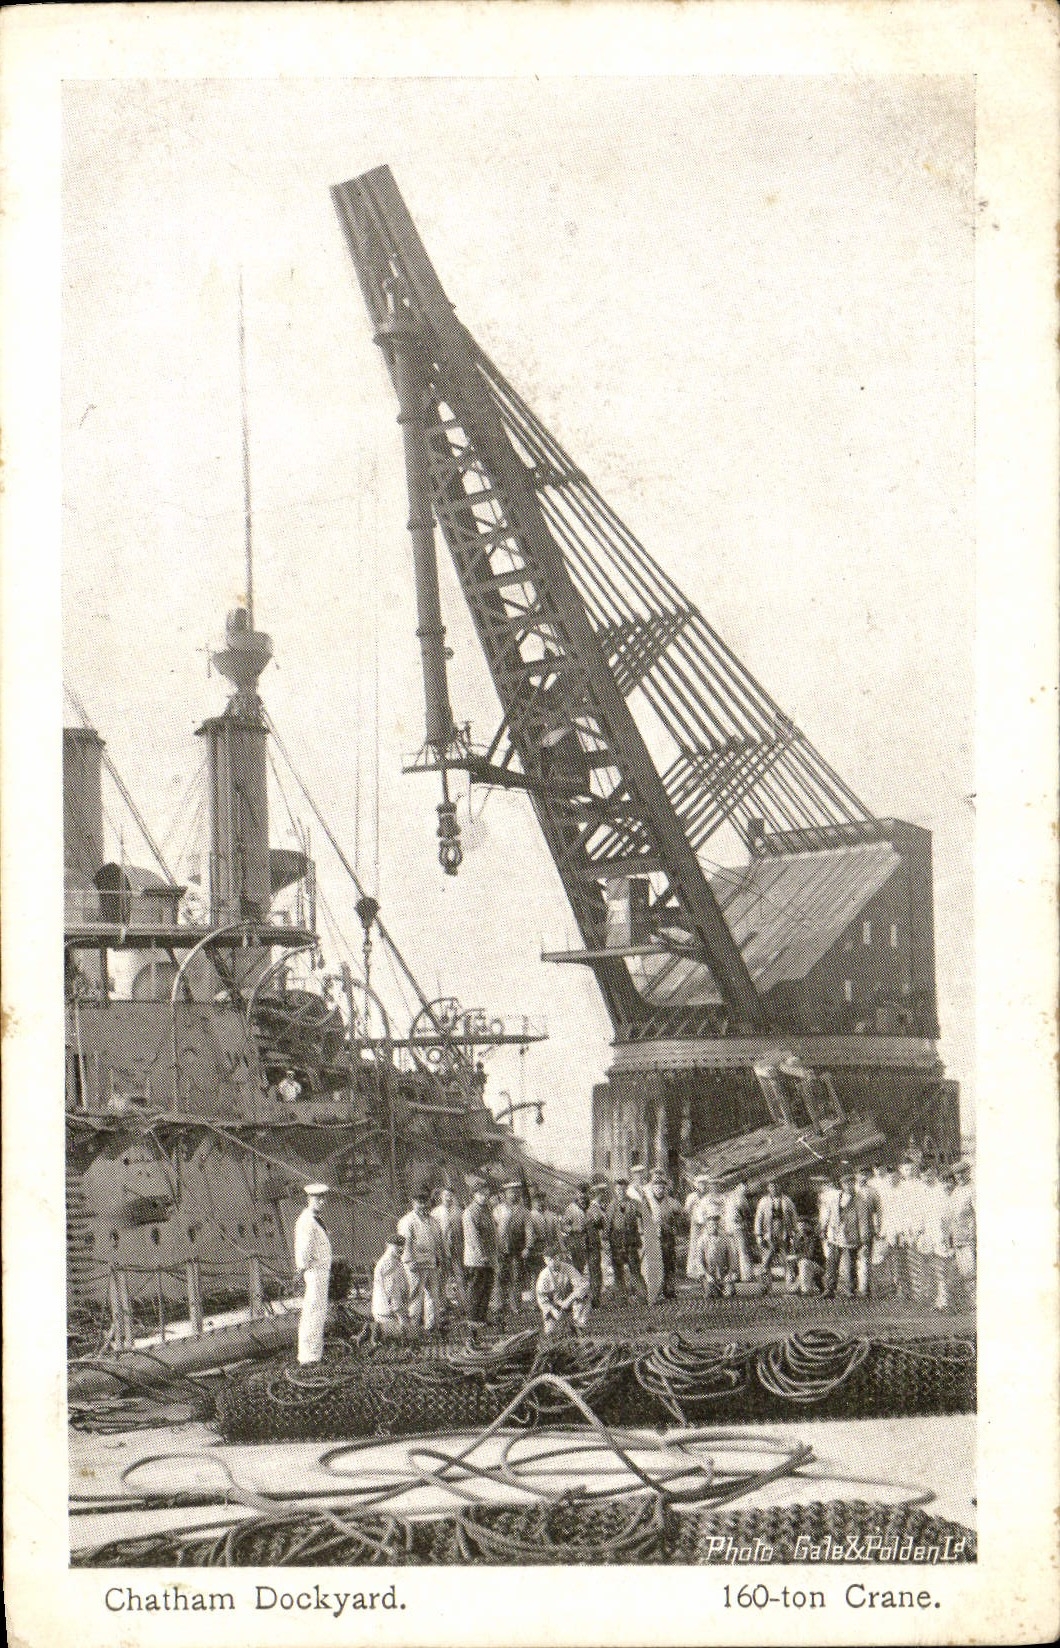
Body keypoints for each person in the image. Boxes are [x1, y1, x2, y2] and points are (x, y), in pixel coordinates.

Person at [397, 1181, 445, 1332]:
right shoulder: (407, 1221)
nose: (423, 1205)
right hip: (415, 1265)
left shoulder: (432, 1221)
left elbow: (437, 1240)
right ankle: (413, 1329)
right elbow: (405, 1243)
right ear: (413, 1203)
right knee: (415, 1297)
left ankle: (431, 1327)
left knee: (433, 1296)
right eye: (420, 1202)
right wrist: (409, 1261)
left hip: (431, 1263)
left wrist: (438, 1257)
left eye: (425, 1202)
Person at [293, 1182, 332, 1364]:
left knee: (318, 1312)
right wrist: (302, 1270)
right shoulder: (307, 1221)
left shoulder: (316, 1219)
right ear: (309, 1199)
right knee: (313, 1313)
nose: (322, 1202)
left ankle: (314, 1353)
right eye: (318, 1198)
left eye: (323, 1198)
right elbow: (304, 1250)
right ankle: (309, 1357)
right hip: (315, 1271)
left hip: (320, 1271)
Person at [822, 1166, 871, 1297]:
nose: (849, 1186)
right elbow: (827, 1214)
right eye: (846, 1183)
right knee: (832, 1263)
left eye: (851, 1183)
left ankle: (850, 1289)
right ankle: (829, 1289)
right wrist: (824, 1228)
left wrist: (864, 1240)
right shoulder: (835, 1198)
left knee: (850, 1264)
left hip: (851, 1236)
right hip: (835, 1234)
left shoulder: (860, 1201)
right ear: (842, 1185)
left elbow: (863, 1222)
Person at [641, 1169, 682, 1301]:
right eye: (656, 1187)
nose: (659, 1190)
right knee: (655, 1265)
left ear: (665, 1188)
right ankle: (655, 1291)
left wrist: (673, 1225)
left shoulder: (671, 1202)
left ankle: (669, 1289)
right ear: (652, 1188)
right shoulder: (647, 1202)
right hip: (653, 1237)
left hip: (667, 1237)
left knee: (669, 1263)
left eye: (662, 1187)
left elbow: (680, 1214)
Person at [462, 1177, 497, 1325]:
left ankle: (481, 1316)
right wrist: (482, 1255)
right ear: (474, 1195)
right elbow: (472, 1237)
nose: (484, 1197)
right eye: (480, 1194)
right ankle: (472, 1317)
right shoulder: (470, 1212)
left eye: (485, 1194)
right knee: (476, 1287)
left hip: (488, 1256)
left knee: (487, 1287)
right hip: (477, 1259)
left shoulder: (486, 1210)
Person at [495, 1180, 532, 1319]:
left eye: (516, 1191)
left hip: (517, 1250)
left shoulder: (524, 1211)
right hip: (501, 1249)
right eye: (510, 1192)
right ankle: (498, 1305)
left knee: (516, 1277)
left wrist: (528, 1247)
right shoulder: (498, 1209)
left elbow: (529, 1231)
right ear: (505, 1194)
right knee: (499, 1277)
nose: (513, 1194)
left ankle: (515, 1305)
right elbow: (493, 1230)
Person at [535, 1245, 591, 1336]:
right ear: (545, 1261)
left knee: (585, 1296)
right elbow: (542, 1299)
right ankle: (562, 1327)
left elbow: (583, 1286)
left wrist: (568, 1300)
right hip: (554, 1306)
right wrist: (553, 1310)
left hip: (569, 1302)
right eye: (549, 1260)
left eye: (555, 1258)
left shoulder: (568, 1268)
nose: (552, 1262)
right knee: (550, 1333)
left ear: (559, 1257)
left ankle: (579, 1325)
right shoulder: (543, 1276)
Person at [753, 1180, 799, 1286]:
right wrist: (759, 1235)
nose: (774, 1188)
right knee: (766, 1260)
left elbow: (794, 1217)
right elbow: (758, 1218)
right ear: (768, 1188)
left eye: (777, 1186)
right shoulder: (763, 1201)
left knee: (786, 1259)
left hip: (784, 1234)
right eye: (772, 1186)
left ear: (780, 1187)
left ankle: (790, 1284)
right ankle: (765, 1285)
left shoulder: (787, 1200)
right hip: (768, 1234)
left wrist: (794, 1233)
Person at [370, 1231, 413, 1340]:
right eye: (397, 1246)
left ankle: (375, 1333)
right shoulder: (389, 1263)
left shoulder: (395, 1261)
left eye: (402, 1247)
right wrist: (401, 1318)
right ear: (388, 1246)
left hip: (390, 1313)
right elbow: (393, 1293)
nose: (401, 1249)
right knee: (410, 1338)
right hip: (388, 1315)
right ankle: (374, 1332)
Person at [605, 1177, 643, 1300]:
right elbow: (607, 1225)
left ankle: (641, 1295)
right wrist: (606, 1242)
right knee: (618, 1270)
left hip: (631, 1240)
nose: (620, 1191)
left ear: (626, 1189)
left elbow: (644, 1216)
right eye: (618, 1189)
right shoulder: (611, 1205)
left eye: (623, 1189)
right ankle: (621, 1296)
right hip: (616, 1241)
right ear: (615, 1190)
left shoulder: (634, 1203)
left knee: (635, 1268)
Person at [431, 1186, 466, 1312]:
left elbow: (464, 1231)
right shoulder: (435, 1213)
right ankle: (442, 1304)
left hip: (457, 1249)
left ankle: (464, 1303)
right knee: (441, 1277)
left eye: (451, 1195)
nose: (448, 1198)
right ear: (441, 1197)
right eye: (446, 1195)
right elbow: (433, 1233)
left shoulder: (459, 1212)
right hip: (441, 1250)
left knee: (460, 1276)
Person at [698, 1208, 738, 1299]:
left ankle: (725, 1286)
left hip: (723, 1273)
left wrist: (730, 1273)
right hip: (708, 1274)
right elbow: (699, 1261)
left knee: (729, 1293)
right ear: (707, 1225)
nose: (713, 1226)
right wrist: (707, 1275)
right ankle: (710, 1288)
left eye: (715, 1224)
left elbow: (731, 1258)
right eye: (711, 1224)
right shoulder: (702, 1240)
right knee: (710, 1295)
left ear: (718, 1224)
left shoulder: (725, 1238)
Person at [724, 1180, 754, 1282]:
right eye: (743, 1186)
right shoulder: (736, 1197)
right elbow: (746, 1212)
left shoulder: (732, 1197)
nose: (745, 1189)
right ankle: (740, 1274)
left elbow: (746, 1213)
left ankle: (742, 1275)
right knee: (738, 1251)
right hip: (733, 1227)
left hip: (735, 1227)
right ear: (738, 1186)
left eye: (745, 1187)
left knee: (739, 1251)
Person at [584, 1184, 608, 1306]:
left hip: (599, 1243)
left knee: (598, 1270)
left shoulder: (600, 1207)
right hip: (594, 1243)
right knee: (595, 1271)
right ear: (598, 1194)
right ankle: (594, 1298)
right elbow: (599, 1224)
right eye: (602, 1193)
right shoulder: (593, 1209)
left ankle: (596, 1296)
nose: (604, 1195)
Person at [684, 1173, 711, 1279]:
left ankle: (706, 1269)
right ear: (696, 1185)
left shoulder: (708, 1196)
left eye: (704, 1184)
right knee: (695, 1245)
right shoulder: (692, 1196)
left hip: (707, 1224)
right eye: (700, 1184)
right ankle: (693, 1270)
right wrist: (692, 1215)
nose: (703, 1186)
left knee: (706, 1244)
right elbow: (686, 1210)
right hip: (696, 1223)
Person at [788, 1216, 822, 1295]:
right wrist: (793, 1271)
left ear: (809, 1226)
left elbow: (810, 1255)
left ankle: (806, 1290)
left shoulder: (814, 1238)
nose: (802, 1228)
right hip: (803, 1268)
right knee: (792, 1290)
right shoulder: (796, 1238)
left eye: (804, 1225)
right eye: (800, 1225)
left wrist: (796, 1257)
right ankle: (799, 1284)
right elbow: (793, 1254)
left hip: (817, 1266)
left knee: (804, 1262)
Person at [562, 1185, 591, 1272]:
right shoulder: (571, 1208)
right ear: (577, 1194)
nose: (582, 1195)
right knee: (578, 1268)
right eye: (580, 1193)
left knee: (593, 1268)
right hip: (577, 1242)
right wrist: (574, 1228)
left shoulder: (591, 1206)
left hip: (591, 1242)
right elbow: (563, 1226)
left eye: (584, 1193)